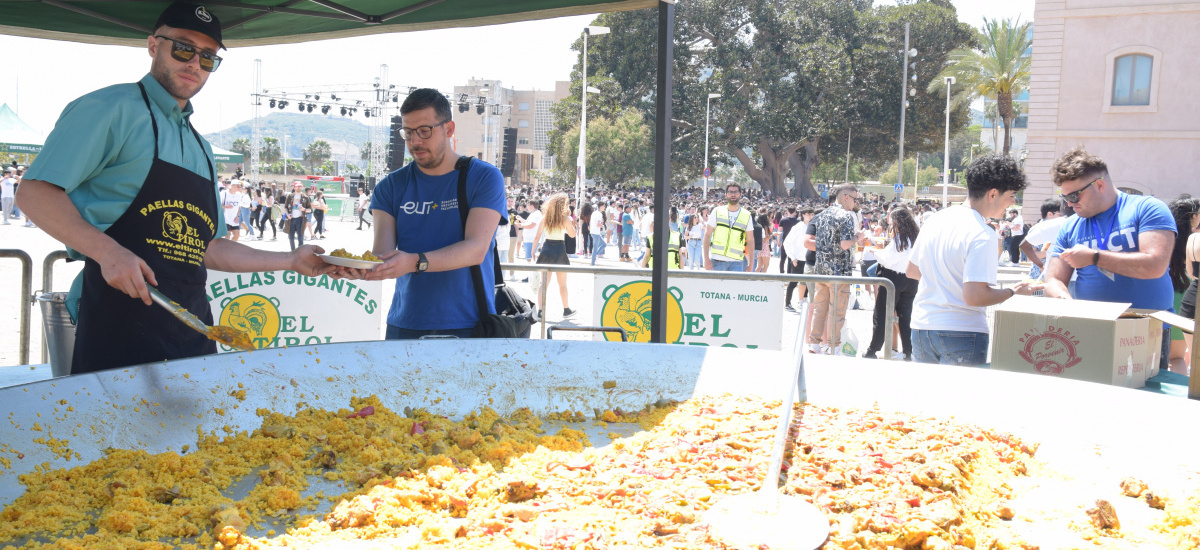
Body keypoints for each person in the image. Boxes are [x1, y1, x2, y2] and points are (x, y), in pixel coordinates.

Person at [14, 2, 334, 374]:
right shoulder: (109, 108)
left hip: (193, 328)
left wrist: (291, 261)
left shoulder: (201, 146)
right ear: (153, 46)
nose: (194, 63)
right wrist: (109, 253)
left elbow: (210, 246)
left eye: (208, 58)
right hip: (116, 325)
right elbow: (34, 192)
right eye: (182, 48)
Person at [362, 88, 506, 339]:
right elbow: (382, 256)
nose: (415, 141)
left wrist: (414, 262)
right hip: (404, 324)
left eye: (424, 131)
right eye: (408, 133)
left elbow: (476, 249)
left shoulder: (483, 177)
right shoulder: (390, 186)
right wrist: (357, 267)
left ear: (449, 129)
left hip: (469, 325)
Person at [1041, 148, 1176, 374]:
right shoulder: (1071, 225)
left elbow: (1155, 265)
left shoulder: (1148, 208)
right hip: (1094, 327)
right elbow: (1053, 279)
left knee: (1143, 402)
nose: (1069, 204)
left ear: (1099, 185)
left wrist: (1094, 257)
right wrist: (1064, 299)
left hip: (1145, 328)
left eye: (1074, 196)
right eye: (1064, 197)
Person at [906, 155, 1037, 366]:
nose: (1013, 202)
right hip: (961, 331)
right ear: (993, 193)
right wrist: (1013, 291)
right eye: (1012, 195)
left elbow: (912, 271)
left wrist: (944, 279)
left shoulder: (935, 219)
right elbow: (975, 297)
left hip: (922, 327)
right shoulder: (983, 233)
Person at [802, 184, 861, 354]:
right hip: (839, 272)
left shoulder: (821, 215)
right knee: (837, 311)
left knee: (820, 308)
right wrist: (857, 237)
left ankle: (814, 343)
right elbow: (844, 244)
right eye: (855, 199)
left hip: (820, 269)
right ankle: (833, 345)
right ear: (846, 197)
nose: (856, 203)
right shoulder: (846, 216)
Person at [863, 207, 920, 360]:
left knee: (882, 315)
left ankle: (872, 349)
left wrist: (875, 252)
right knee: (905, 317)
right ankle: (908, 351)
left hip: (893, 279)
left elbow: (888, 260)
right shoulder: (916, 236)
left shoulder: (900, 238)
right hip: (911, 279)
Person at [532, 192, 577, 319]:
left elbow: (537, 236)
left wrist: (532, 251)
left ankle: (541, 311)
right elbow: (572, 235)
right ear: (563, 205)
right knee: (562, 284)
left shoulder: (545, 218)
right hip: (560, 250)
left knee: (544, 283)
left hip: (546, 249)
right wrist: (571, 223)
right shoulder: (565, 219)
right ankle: (566, 309)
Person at [1166, 195, 1198, 373]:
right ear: (1193, 216)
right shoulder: (1194, 240)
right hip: (1185, 297)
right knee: (1178, 357)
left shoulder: (1165, 234)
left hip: (1165, 296)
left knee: (1166, 357)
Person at [703, 183, 755, 272]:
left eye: (736, 192)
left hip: (737, 262)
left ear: (740, 195)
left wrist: (751, 264)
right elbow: (707, 235)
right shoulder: (717, 211)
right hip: (717, 261)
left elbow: (750, 240)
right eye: (730, 192)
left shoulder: (747, 215)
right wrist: (706, 259)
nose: (733, 194)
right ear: (726, 194)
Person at [782, 208, 814, 310]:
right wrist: (792, 257)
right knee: (793, 282)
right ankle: (787, 303)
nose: (810, 216)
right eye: (808, 214)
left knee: (808, 282)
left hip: (809, 259)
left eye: (812, 214)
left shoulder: (813, 227)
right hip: (798, 259)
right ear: (803, 215)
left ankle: (803, 301)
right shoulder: (798, 227)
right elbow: (787, 242)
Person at [282, 181, 312, 251]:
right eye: (298, 186)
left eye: (300, 186)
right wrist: (287, 214)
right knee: (291, 237)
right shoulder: (290, 196)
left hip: (301, 219)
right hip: (291, 219)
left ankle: (299, 252)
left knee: (300, 237)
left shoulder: (305, 197)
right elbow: (285, 207)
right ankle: (293, 251)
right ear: (294, 187)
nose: (299, 188)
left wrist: (304, 209)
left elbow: (310, 210)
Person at [590, 201, 608, 266]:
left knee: (604, 244)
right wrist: (602, 226)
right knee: (595, 248)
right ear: (600, 206)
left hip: (594, 231)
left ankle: (594, 257)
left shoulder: (594, 213)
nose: (604, 207)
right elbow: (598, 224)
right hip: (596, 232)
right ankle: (592, 262)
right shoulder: (599, 214)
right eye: (604, 206)